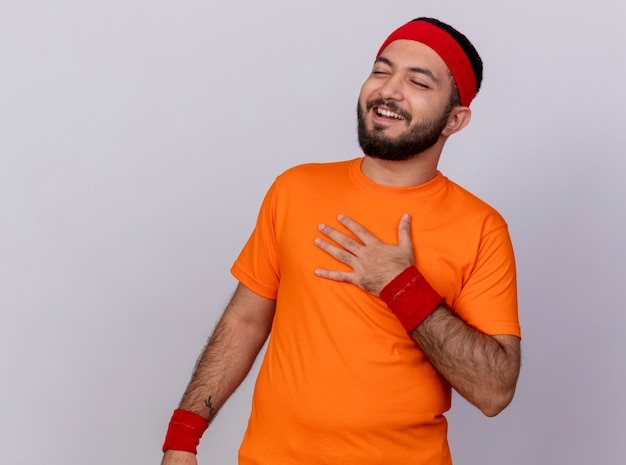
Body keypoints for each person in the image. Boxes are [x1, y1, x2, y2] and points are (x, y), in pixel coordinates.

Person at [160, 17, 521, 465]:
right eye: (381, 70)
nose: (389, 89)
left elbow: (494, 390)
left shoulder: (481, 227)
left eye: (418, 82)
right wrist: (183, 436)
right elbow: (246, 321)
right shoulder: (295, 189)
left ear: (455, 119)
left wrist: (400, 284)